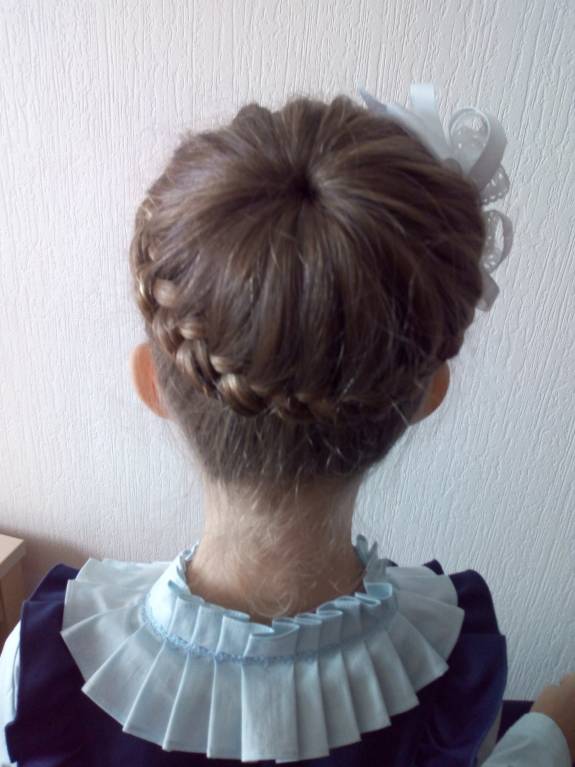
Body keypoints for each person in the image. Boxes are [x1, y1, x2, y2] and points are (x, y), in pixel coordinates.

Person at [0, 83, 573, 766]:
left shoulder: (47, 662)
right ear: (427, 395)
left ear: (152, 384)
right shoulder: (450, 662)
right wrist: (548, 733)